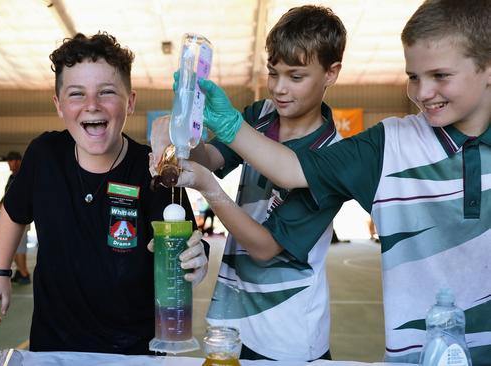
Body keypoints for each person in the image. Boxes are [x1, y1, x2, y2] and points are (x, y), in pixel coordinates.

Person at [186, 0, 491, 363]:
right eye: (412, 77)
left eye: (441, 76)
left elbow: (267, 240)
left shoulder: (339, 147)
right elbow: (286, 169)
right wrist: (192, 137)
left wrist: (212, 180)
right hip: (239, 319)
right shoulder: (384, 143)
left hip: (288, 335)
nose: (422, 93)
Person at [0, 32, 208, 354]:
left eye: (107, 92)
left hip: (135, 349)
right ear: (59, 105)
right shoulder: (45, 154)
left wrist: (197, 257)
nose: (92, 105)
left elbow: (185, 240)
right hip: (54, 346)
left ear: (130, 102)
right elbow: (14, 210)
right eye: (76, 94)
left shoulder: (152, 168)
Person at [151, 5, 345, 360]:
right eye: (273, 73)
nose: (280, 89)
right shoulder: (261, 114)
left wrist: (210, 189)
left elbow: (265, 247)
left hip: (288, 333)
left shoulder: (334, 158)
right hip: (235, 320)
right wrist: (185, 127)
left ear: (331, 73)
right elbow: (212, 157)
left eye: (296, 77)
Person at [0, 151, 30, 285]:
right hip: (11, 218)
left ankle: (24, 273)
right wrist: (0, 204)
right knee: (14, 247)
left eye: (13, 160)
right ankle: (20, 272)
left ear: (19, 161)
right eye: (9, 161)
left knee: (18, 248)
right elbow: (8, 195)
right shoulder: (12, 177)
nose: (10, 163)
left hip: (20, 218)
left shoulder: (23, 176)